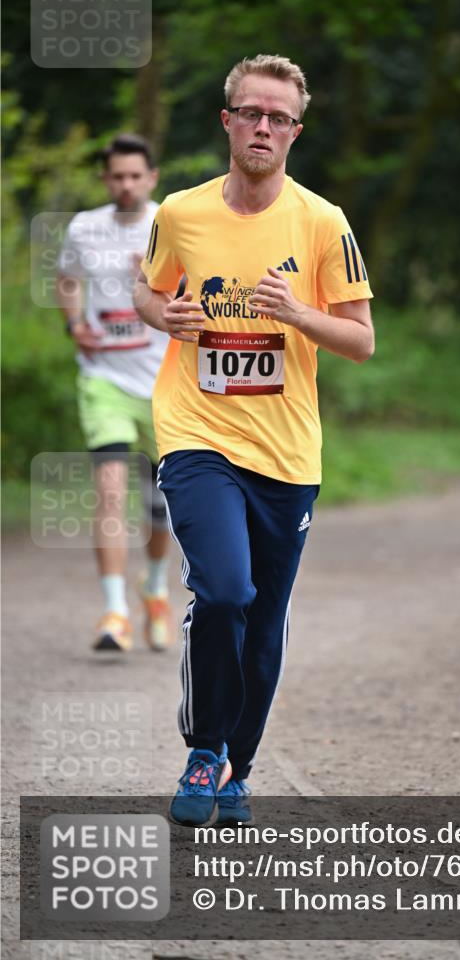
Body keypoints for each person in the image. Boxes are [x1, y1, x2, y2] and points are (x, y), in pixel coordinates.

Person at [134, 54, 374, 826]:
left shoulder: (321, 222)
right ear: (227, 122)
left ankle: (239, 768)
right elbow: (149, 286)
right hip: (196, 430)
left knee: (264, 621)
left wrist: (298, 315)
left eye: (278, 117)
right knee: (225, 590)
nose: (263, 126)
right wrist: (158, 314)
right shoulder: (180, 211)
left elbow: (361, 340)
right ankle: (204, 750)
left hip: (287, 452)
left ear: (295, 132)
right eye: (250, 112)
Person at [57, 134, 173, 653]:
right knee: (108, 491)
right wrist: (75, 322)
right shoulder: (85, 226)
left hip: (163, 384)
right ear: (105, 180)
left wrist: (155, 283)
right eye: (116, 177)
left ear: (151, 178)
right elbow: (66, 279)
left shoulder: (170, 223)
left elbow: (203, 285)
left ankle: (154, 586)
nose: (126, 185)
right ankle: (114, 612)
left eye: (135, 176)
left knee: (158, 507)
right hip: (104, 377)